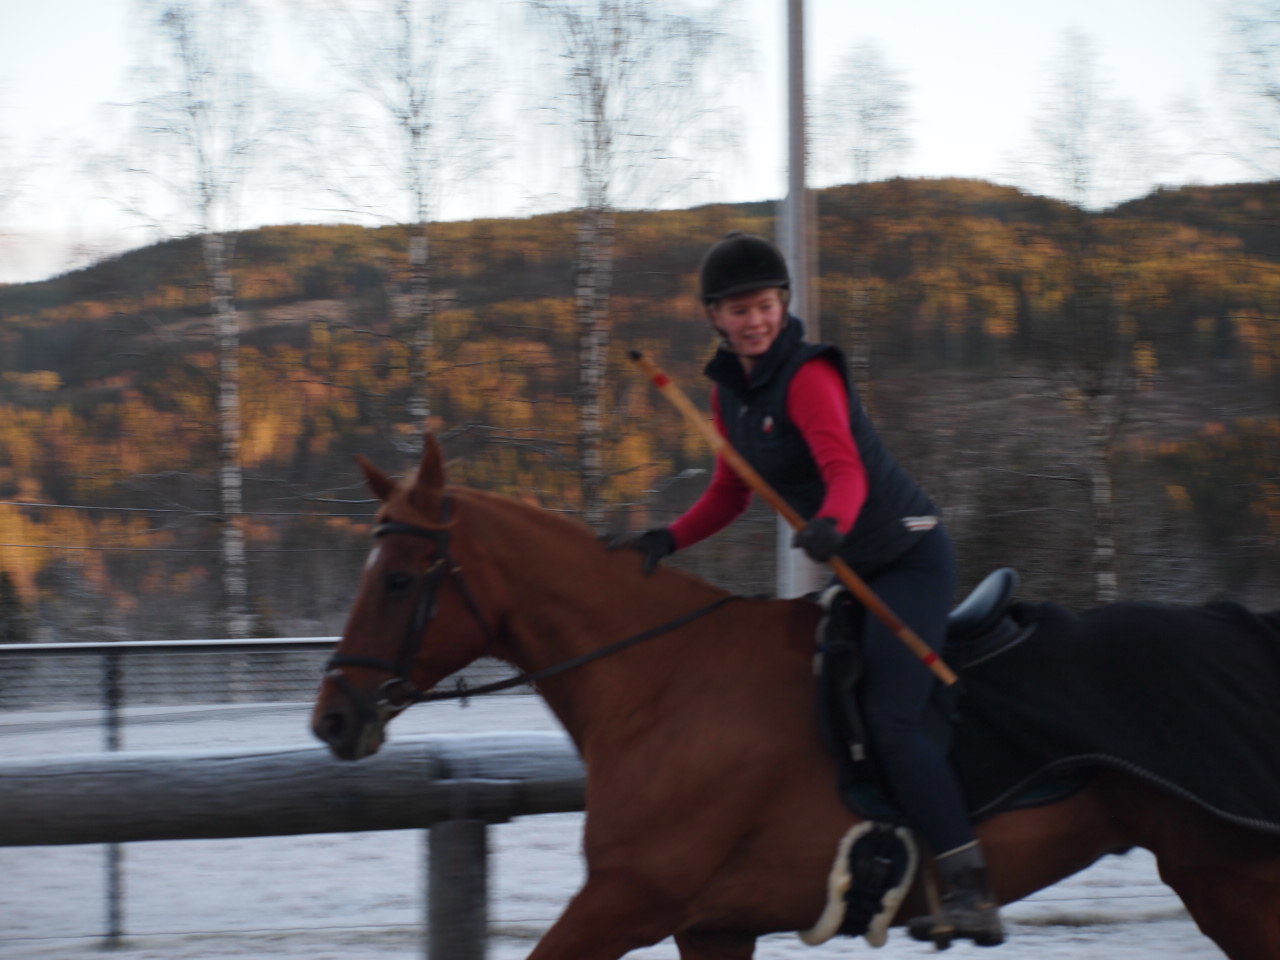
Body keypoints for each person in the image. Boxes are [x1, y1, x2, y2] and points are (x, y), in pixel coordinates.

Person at [608, 231, 1004, 946]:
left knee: (890, 717)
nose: (753, 320)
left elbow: (845, 471)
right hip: (852, 563)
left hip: (906, 555)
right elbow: (732, 494)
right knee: (816, 699)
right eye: (737, 310)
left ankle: (969, 881)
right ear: (715, 318)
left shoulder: (809, 375)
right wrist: (667, 538)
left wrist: (830, 523)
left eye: (763, 306)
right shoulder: (728, 394)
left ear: (782, 304)